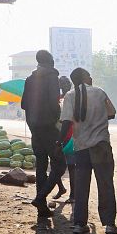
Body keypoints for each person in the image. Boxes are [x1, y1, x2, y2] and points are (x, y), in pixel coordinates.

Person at [59, 68, 117, 234]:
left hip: (81, 147)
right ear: (84, 78)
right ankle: (109, 224)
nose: (91, 77)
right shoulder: (100, 92)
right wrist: (97, 117)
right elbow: (112, 113)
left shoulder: (70, 96)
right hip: (100, 145)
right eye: (88, 75)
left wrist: (58, 141)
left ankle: (80, 223)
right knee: (105, 184)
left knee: (81, 186)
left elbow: (66, 122)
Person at [21, 50, 66, 217]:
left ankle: (42, 208)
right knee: (60, 165)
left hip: (34, 128)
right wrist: (56, 119)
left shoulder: (30, 79)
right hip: (49, 128)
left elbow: (24, 104)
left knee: (41, 166)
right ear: (50, 61)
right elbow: (55, 104)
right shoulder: (51, 77)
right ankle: (40, 198)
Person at [55, 75, 75, 203]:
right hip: (58, 134)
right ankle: (62, 188)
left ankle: (73, 194)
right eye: (61, 84)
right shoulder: (58, 99)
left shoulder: (72, 97)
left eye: (66, 83)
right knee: (56, 164)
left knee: (71, 166)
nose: (64, 86)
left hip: (69, 135)